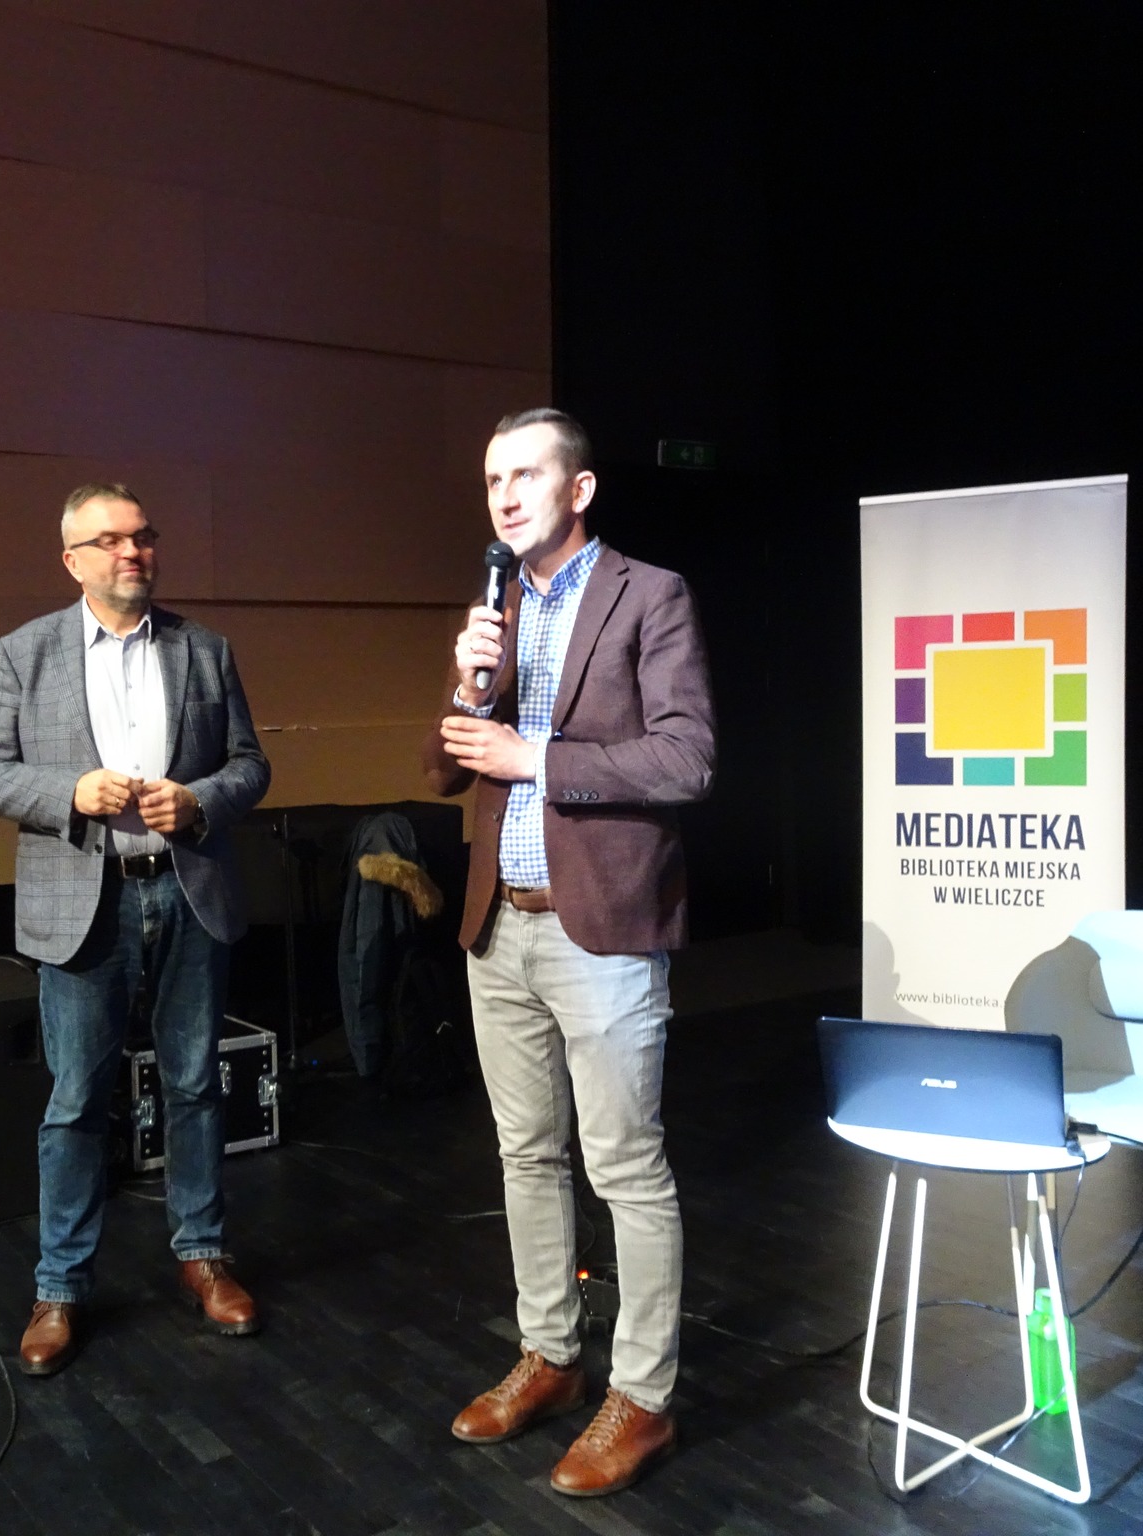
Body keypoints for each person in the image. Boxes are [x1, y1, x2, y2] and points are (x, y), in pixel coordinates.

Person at [421, 408, 715, 1496]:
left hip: (603, 927)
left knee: (624, 1165)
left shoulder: (650, 594)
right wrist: (466, 689)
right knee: (525, 1156)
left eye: (525, 474)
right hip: (498, 924)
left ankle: (642, 1399)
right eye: (491, 478)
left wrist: (531, 752)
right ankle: (549, 1355)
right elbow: (446, 766)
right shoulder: (494, 609)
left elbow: (686, 758)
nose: (503, 495)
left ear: (579, 489)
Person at [0, 481, 272, 1375]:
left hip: (187, 893)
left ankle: (203, 1254)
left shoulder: (204, 649)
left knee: (195, 1085)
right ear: (73, 560)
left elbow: (251, 765)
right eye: (110, 541)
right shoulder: (23, 654)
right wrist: (69, 792)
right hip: (83, 905)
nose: (132, 552)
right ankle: (59, 1286)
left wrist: (200, 801)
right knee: (75, 1102)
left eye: (142, 537)